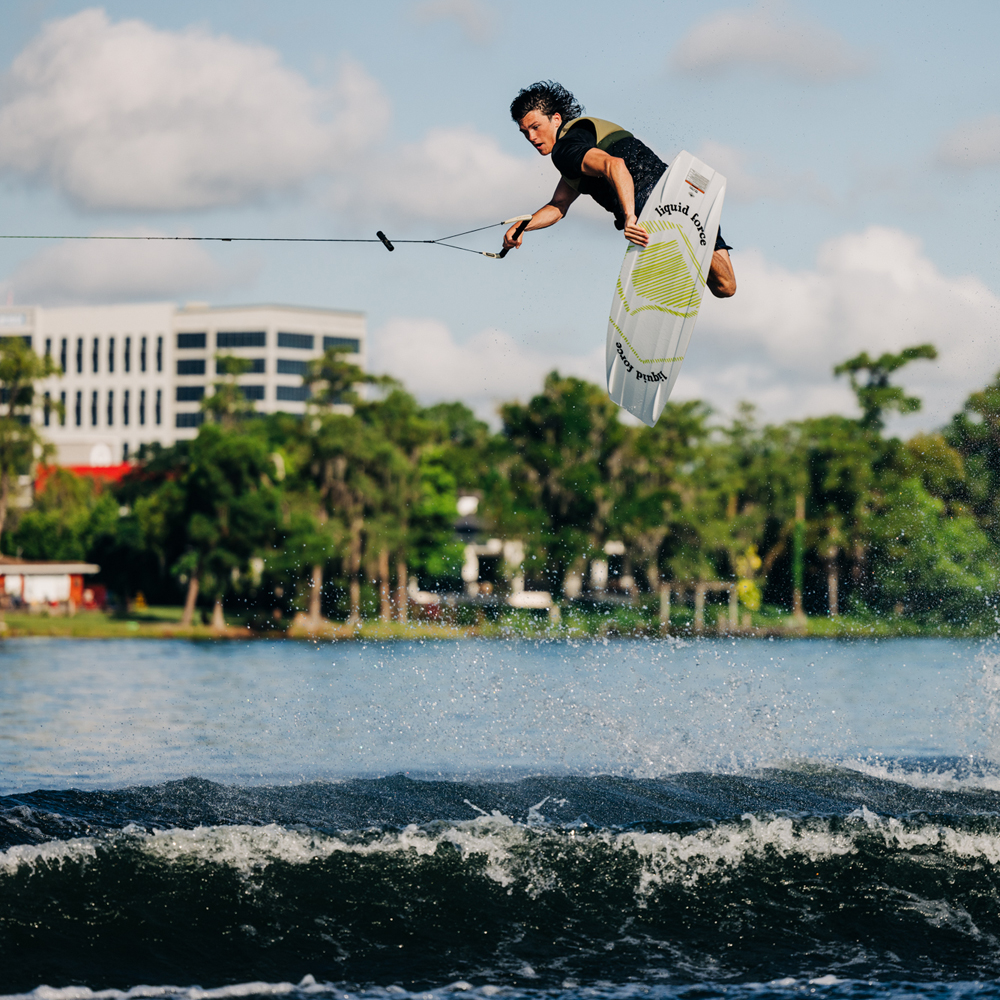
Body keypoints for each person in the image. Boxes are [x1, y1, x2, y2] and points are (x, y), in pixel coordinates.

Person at [504, 81, 736, 298]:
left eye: (535, 127)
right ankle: (689, 234)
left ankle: (683, 235)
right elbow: (559, 205)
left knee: (697, 288)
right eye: (525, 132)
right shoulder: (583, 135)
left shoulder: (565, 151)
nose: (532, 137)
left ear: (556, 119)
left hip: (649, 208)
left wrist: (630, 217)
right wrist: (522, 225)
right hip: (679, 191)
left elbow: (615, 165)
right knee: (725, 286)